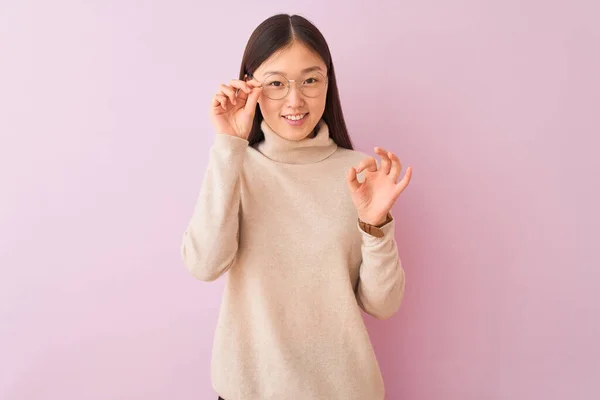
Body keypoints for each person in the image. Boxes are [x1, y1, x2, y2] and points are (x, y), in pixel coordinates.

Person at [180, 13, 413, 400]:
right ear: (250, 85)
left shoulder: (358, 174)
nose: (294, 99)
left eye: (310, 80)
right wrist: (228, 146)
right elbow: (204, 264)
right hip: (248, 391)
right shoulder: (234, 164)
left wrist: (376, 225)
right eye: (275, 83)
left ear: (327, 83)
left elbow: (383, 305)